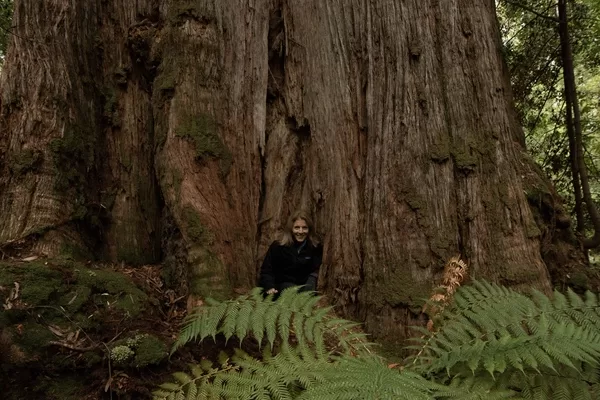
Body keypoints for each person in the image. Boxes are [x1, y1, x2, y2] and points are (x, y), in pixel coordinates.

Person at [259, 211, 323, 296]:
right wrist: (269, 286)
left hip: (304, 288)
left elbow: (316, 270)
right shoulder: (278, 246)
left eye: (304, 228)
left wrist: (312, 280)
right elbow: (267, 270)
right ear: (291, 229)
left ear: (309, 229)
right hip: (281, 288)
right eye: (297, 227)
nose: (300, 231)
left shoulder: (314, 247)